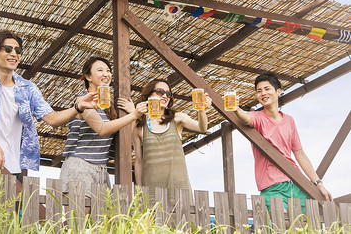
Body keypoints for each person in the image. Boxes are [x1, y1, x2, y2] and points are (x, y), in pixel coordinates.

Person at [0, 30, 96, 184]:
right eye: (8, 49)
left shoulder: (27, 88)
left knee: (10, 208)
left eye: (18, 50)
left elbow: (53, 119)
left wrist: (78, 107)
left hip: (13, 165)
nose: (14, 54)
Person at [233, 72, 333, 212]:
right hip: (271, 184)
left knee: (306, 224)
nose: (263, 93)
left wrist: (318, 183)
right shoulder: (257, 117)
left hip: (296, 181)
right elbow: (246, 119)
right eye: (259, 91)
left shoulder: (289, 121)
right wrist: (236, 109)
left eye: (267, 89)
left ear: (278, 91)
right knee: (281, 223)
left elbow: (299, 154)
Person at [59, 57, 147, 196]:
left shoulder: (109, 106)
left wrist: (131, 114)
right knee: (78, 218)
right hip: (80, 166)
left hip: (101, 169)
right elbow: (102, 129)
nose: (106, 74)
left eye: (108, 71)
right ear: (88, 76)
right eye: (100, 70)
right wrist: (134, 115)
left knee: (101, 218)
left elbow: (125, 136)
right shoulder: (82, 101)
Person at [132, 79, 212, 206]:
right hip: (151, 189)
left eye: (168, 94)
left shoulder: (177, 118)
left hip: (179, 187)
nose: (165, 96)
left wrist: (201, 109)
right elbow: (138, 161)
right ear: (148, 95)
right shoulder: (139, 126)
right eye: (160, 91)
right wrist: (140, 190)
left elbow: (202, 128)